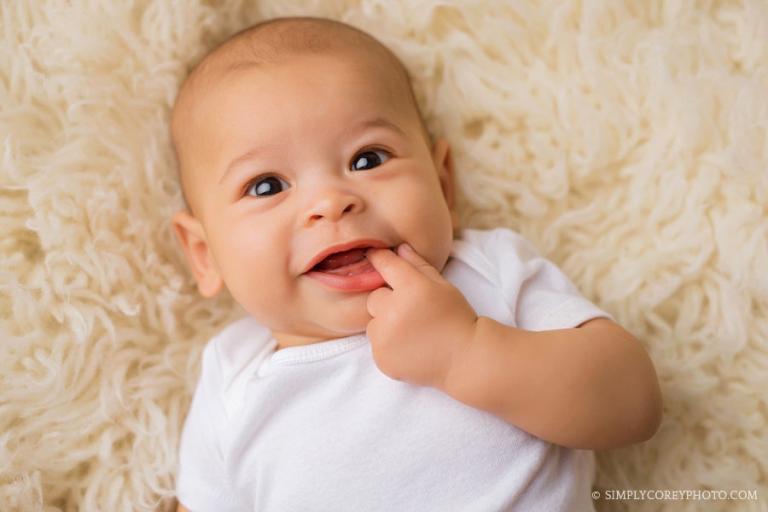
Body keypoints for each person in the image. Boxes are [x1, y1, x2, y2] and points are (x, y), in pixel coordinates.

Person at [169, 16, 662, 511]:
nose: (330, 202)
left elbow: (633, 403)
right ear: (205, 255)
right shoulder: (232, 379)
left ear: (443, 186)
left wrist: (464, 352)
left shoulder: (485, 273)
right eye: (267, 186)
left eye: (367, 159)